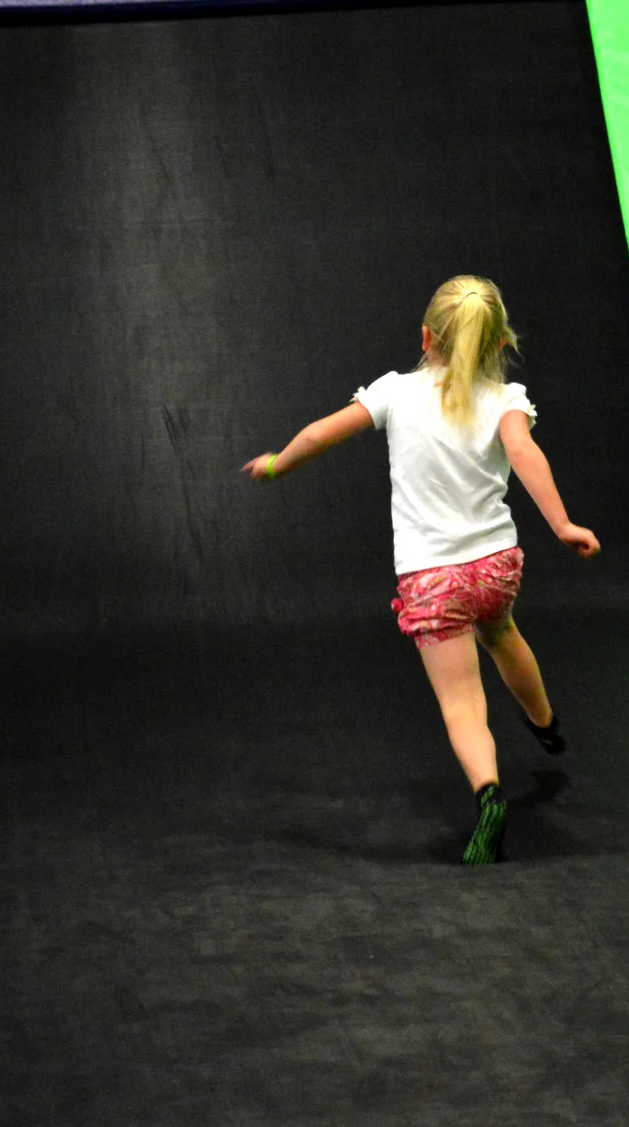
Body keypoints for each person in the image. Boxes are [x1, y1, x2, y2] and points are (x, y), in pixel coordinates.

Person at [243, 276, 600, 865]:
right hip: (495, 568)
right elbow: (523, 452)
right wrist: (562, 524)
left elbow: (318, 434)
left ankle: (489, 795)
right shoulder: (506, 400)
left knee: (462, 703)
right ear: (498, 343)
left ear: (427, 338)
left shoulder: (394, 392)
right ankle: (545, 722)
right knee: (501, 632)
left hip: (433, 581)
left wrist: (279, 464)